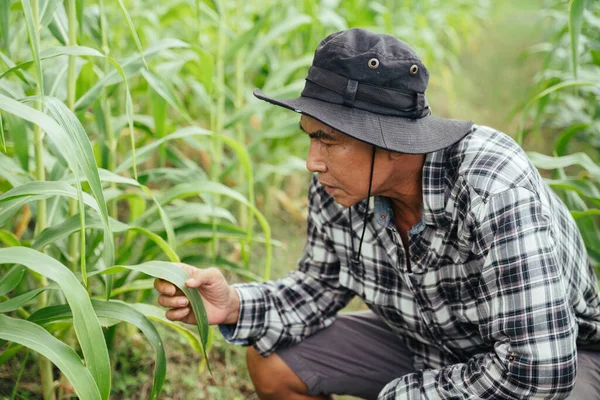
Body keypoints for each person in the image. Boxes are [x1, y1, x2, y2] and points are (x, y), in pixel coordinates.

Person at [154, 28, 600, 399]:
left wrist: (405, 395)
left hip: (563, 360)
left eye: (327, 140)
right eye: (310, 138)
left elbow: (540, 370)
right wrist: (232, 304)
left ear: (386, 138)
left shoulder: (491, 184)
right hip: (423, 343)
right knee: (273, 363)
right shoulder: (339, 187)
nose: (312, 161)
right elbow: (320, 286)